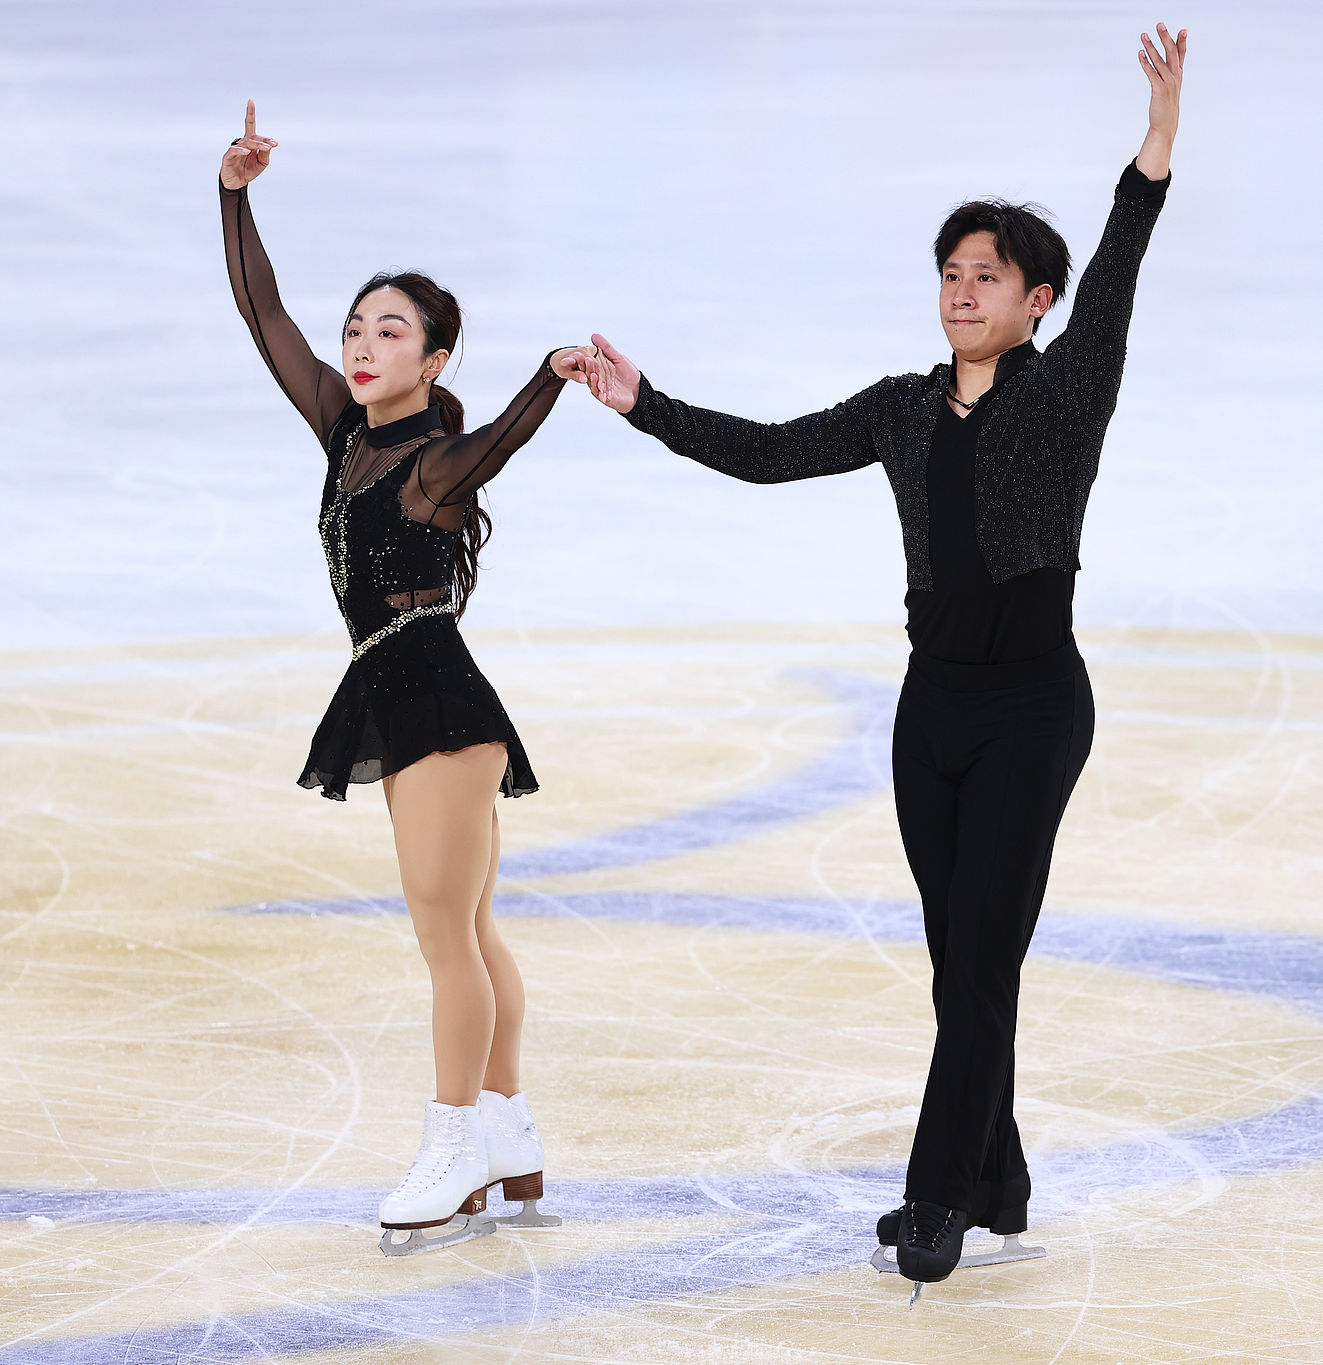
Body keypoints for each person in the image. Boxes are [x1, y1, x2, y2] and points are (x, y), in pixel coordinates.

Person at [569, 26, 1188, 1291]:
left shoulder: (1065, 393)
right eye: (951, 271)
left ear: (1035, 304)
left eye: (989, 275)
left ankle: (936, 1198)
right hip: (931, 710)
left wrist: (1155, 145)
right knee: (955, 957)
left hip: (1030, 709)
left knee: (979, 960)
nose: (963, 290)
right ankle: (1000, 1174)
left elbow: (1122, 263)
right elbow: (772, 450)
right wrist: (649, 406)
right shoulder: (902, 408)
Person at [219, 102, 597, 1256]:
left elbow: (501, 447)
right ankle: (508, 1128)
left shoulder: (430, 460)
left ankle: (452, 1143)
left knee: (443, 937)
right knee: (471, 930)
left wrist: (543, 379)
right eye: (360, 327)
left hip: (438, 708)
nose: (362, 342)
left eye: (392, 332)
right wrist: (234, 194)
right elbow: (264, 314)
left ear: (433, 362)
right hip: (398, 695)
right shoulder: (343, 432)